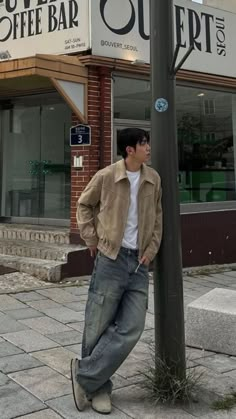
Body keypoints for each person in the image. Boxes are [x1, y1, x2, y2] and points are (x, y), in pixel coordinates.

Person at [71, 127, 163, 414]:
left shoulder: (153, 178)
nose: (148, 147)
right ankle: (98, 387)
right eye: (143, 143)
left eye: (147, 142)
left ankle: (84, 375)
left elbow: (158, 218)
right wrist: (91, 239)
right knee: (97, 325)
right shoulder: (107, 176)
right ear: (130, 150)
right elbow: (84, 205)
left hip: (138, 263)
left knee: (132, 327)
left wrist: (150, 251)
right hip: (110, 259)